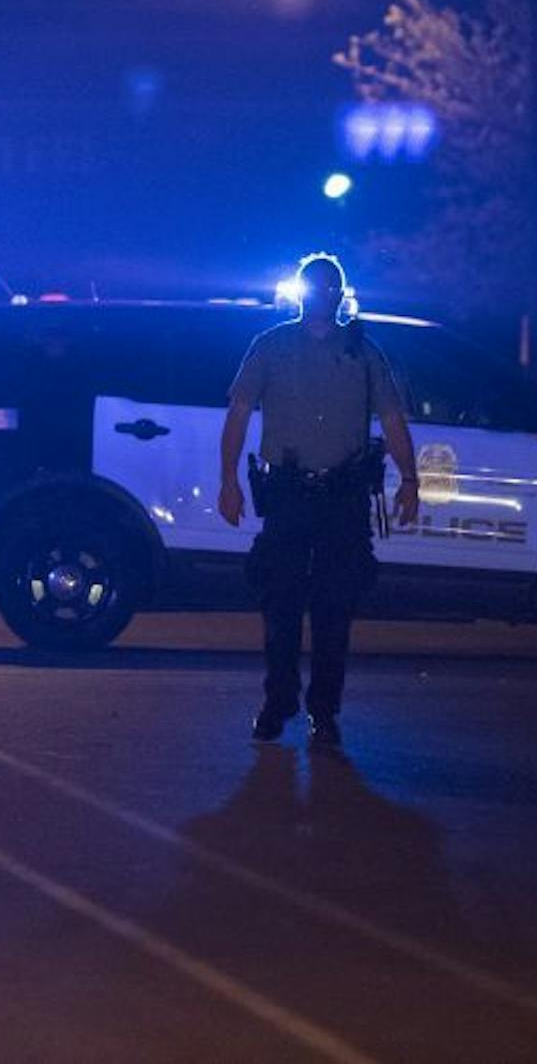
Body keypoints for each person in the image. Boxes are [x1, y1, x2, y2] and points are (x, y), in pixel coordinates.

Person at [217, 254, 419, 748]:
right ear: (302, 292)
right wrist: (228, 480)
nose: (324, 294)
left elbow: (392, 419)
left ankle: (324, 712)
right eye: (316, 286)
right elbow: (238, 412)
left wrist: (411, 480)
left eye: (332, 287)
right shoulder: (271, 346)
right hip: (288, 493)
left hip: (343, 498)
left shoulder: (364, 352)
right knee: (280, 604)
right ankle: (278, 701)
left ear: (341, 294)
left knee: (335, 609)